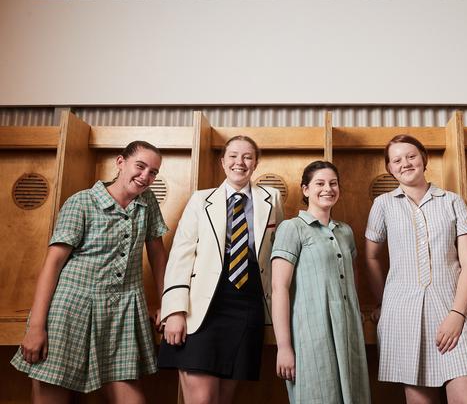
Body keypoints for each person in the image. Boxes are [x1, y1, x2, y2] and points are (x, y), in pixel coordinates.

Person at [11, 140, 169, 403]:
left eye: (153, 172)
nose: (145, 176)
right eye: (140, 167)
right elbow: (53, 264)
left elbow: (157, 255)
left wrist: (168, 302)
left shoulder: (147, 202)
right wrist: (36, 327)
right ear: (120, 162)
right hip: (72, 309)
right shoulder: (82, 202)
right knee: (52, 396)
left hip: (123, 311)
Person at [158, 135, 284, 404]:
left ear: (256, 163)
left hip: (247, 305)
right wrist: (175, 310)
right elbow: (181, 255)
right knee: (202, 399)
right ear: (223, 162)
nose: (240, 162)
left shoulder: (271, 199)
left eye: (248, 157)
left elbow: (276, 255)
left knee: (224, 400)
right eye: (234, 156)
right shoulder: (200, 200)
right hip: (202, 307)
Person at [365, 134, 467, 404]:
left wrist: (457, 313)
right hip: (403, 315)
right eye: (396, 160)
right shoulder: (382, 205)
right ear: (389, 168)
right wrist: (382, 302)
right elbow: (372, 257)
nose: (405, 163)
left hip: (455, 309)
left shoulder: (452, 201)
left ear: (424, 159)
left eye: (411, 156)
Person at [272, 161, 371, 404]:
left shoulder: (345, 231)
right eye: (320, 183)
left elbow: (353, 275)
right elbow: (279, 289)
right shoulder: (292, 228)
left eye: (333, 183)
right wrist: (284, 346)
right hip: (310, 332)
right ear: (305, 190)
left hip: (348, 331)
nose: (328, 188)